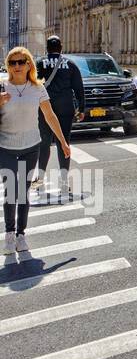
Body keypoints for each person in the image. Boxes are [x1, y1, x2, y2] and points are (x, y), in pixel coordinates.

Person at [1, 46, 72, 255]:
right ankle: (9, 234)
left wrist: (63, 141)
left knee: (23, 191)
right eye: (12, 63)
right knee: (11, 190)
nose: (17, 66)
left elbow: (50, 116)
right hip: (5, 146)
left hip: (31, 147)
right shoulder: (2, 86)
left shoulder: (37, 88)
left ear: (28, 64)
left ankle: (21, 235)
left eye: (21, 62)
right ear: (8, 66)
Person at [35, 35, 84, 203]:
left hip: (44, 108)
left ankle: (40, 182)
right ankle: (64, 183)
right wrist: (82, 108)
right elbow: (79, 87)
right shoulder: (70, 64)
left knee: (44, 144)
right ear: (61, 48)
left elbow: (33, 84)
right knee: (64, 144)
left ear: (47, 48)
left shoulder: (40, 63)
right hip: (65, 108)